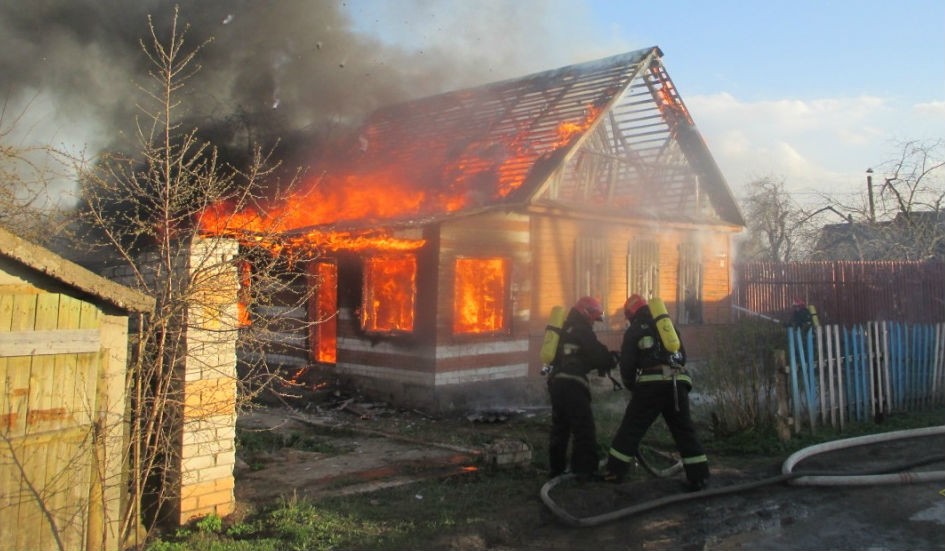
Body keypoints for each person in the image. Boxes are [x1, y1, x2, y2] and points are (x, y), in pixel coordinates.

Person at [603, 294, 710, 491]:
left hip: (651, 386)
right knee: (685, 430)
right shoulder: (667, 325)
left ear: (631, 313)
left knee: (631, 428)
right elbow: (682, 357)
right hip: (678, 383)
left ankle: (614, 472)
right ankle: (699, 477)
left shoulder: (635, 330)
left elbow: (627, 365)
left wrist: (632, 386)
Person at [546, 296, 615, 480]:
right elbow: (597, 354)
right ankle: (584, 471)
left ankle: (556, 469)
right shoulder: (582, 329)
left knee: (560, 427)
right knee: (583, 428)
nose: (594, 322)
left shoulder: (563, 328)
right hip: (573, 384)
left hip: (557, 383)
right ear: (586, 313)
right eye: (594, 317)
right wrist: (611, 358)